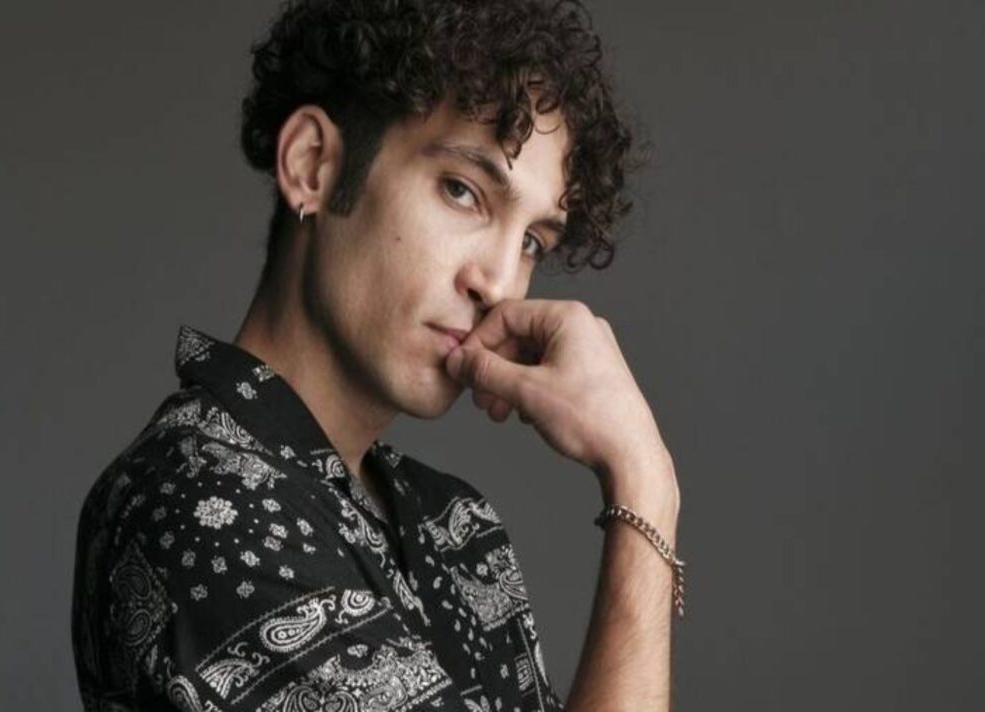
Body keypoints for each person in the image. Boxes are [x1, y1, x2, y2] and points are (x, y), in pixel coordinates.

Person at [71, 0, 683, 710]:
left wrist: (644, 480)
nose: (497, 282)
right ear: (313, 166)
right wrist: (645, 489)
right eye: (462, 191)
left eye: (530, 242)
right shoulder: (197, 503)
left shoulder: (457, 526)